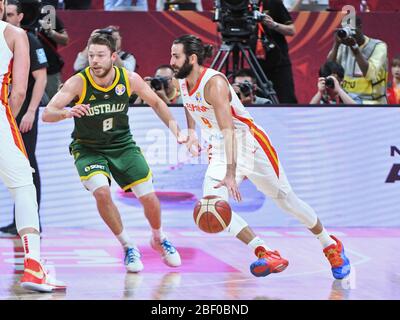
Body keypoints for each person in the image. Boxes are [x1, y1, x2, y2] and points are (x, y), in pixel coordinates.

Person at [171, 34, 351, 279]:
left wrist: (232, 174)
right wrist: (192, 131)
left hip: (248, 143)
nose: (171, 60)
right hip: (219, 147)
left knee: (287, 201)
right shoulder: (182, 79)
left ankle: (330, 244)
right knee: (212, 206)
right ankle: (264, 251)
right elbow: (190, 105)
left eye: (176, 56)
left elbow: (230, 131)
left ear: (192, 59)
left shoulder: (214, 84)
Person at [42, 32, 184, 272]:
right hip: (88, 147)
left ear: (113, 56)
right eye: (91, 56)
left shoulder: (128, 78)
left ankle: (159, 237)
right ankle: (128, 245)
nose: (95, 61)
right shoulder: (79, 81)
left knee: (148, 196)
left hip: (122, 144)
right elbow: (47, 113)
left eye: (100, 56)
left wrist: (177, 131)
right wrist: (67, 112)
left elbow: (158, 103)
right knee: (102, 192)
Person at [0, 0, 65, 292]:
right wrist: (8, 119)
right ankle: (34, 266)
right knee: (25, 184)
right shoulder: (15, 34)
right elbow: (21, 90)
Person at [0, 0, 48, 236]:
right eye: (5, 13)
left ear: (20, 16)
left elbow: (41, 78)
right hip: (8, 111)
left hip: (21, 112)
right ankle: (19, 222)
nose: (7, 17)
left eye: (10, 14)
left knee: (26, 167)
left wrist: (30, 111)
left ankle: (32, 222)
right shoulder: (7, 37)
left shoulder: (27, 39)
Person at [327, 16, 388, 104]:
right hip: (348, 101)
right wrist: (336, 45)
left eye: (351, 29)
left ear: (359, 27)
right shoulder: (343, 46)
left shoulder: (378, 46)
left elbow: (370, 75)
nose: (349, 33)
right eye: (345, 30)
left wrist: (355, 48)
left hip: (372, 103)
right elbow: (329, 68)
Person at [254, 0, 298, 103]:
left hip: (279, 61)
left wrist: (274, 25)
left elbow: (292, 30)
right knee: (260, 101)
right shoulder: (243, 7)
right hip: (257, 62)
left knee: (287, 99)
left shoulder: (274, 3)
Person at [35, 12, 69, 102]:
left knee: (54, 102)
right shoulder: (15, 13)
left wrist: (51, 32)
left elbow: (65, 40)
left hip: (50, 69)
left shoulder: (47, 15)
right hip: (24, 69)